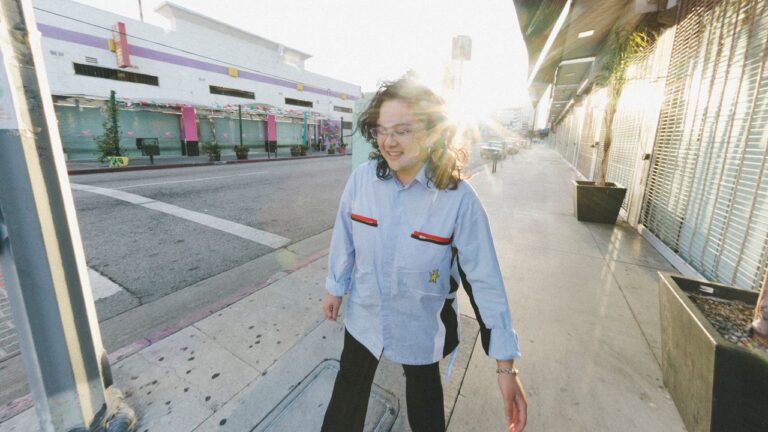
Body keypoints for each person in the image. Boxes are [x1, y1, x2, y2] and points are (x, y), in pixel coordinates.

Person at [321, 77, 527, 432]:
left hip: (421, 327)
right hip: (364, 317)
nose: (388, 141)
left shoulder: (459, 201)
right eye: (381, 130)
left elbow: (484, 279)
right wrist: (335, 286)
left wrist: (505, 365)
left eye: (401, 130)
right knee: (347, 394)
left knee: (426, 404)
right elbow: (345, 236)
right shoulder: (361, 181)